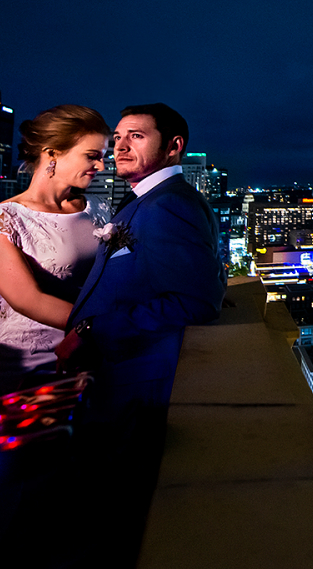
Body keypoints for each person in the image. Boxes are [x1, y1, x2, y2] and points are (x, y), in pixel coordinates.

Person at [57, 102, 226, 415]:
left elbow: (195, 302)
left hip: (135, 386)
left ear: (174, 146)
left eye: (135, 136)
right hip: (114, 378)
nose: (120, 146)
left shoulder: (168, 204)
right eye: (118, 137)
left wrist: (92, 330)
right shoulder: (150, 199)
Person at [0, 104, 109, 405]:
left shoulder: (99, 208)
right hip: (20, 375)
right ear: (52, 153)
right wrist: (100, 327)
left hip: (88, 366)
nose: (102, 167)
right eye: (92, 156)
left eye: (103, 157)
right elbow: (28, 300)